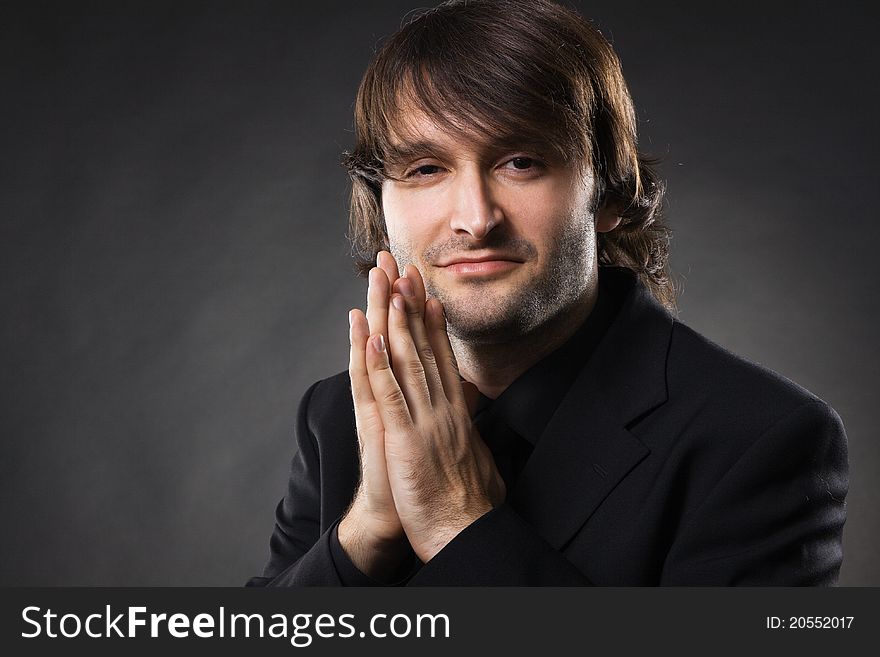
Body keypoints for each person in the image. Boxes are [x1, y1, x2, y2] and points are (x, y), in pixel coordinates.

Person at [247, 0, 848, 586]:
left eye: (521, 162)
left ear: (610, 193)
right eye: (426, 168)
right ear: (381, 205)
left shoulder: (760, 437)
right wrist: (365, 534)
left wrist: (458, 522)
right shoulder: (337, 417)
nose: (475, 219)